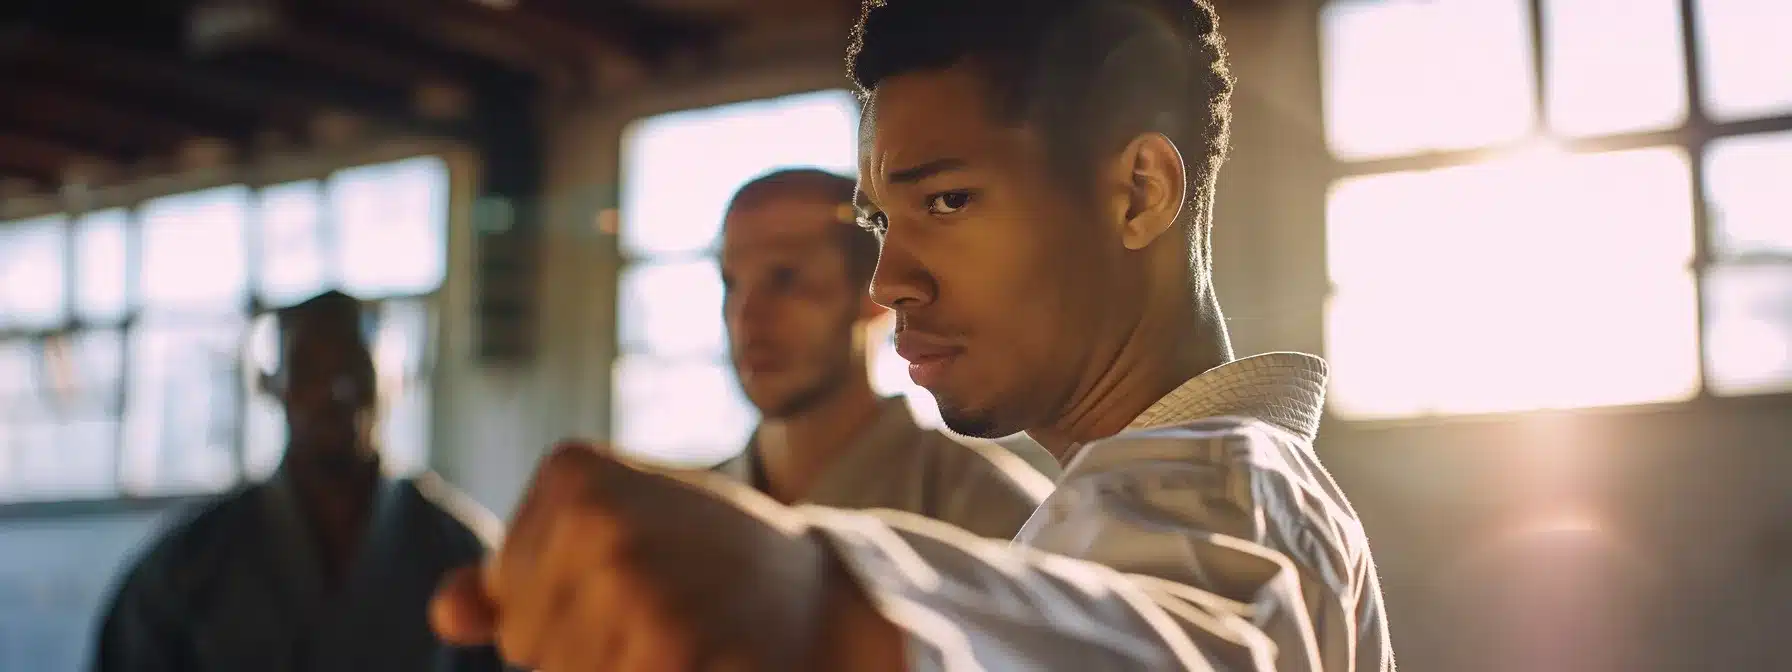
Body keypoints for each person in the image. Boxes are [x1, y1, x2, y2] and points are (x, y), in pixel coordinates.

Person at [430, 1, 1392, 670]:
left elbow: (1186, 644)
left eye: (949, 198)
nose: (891, 281)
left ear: (1138, 192)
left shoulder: (1229, 496)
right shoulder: (1154, 496)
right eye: (887, 222)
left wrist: (816, 607)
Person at [94, 290, 505, 672]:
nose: (335, 391)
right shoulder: (188, 566)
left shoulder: (462, 555)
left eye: (354, 367)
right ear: (273, 385)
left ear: (393, 382)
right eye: (309, 371)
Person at [714, 168, 1054, 539]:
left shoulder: (993, 514)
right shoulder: (685, 515)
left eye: (785, 278)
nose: (746, 315)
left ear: (875, 293)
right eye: (731, 283)